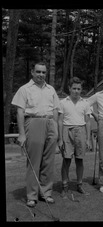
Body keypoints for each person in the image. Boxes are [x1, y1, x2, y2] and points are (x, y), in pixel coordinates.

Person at [11, 61, 60, 208]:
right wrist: (21, 134)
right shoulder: (24, 89)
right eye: (38, 72)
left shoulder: (51, 89)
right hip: (33, 123)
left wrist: (55, 129)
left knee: (48, 162)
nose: (41, 75)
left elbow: (56, 110)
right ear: (32, 72)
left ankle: (46, 192)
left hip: (50, 123)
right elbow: (19, 112)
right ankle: (32, 196)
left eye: (43, 72)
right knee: (34, 162)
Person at [58, 77, 91, 197]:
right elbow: (60, 121)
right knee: (66, 160)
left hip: (81, 131)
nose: (76, 91)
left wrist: (88, 139)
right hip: (67, 131)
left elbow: (88, 121)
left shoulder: (85, 103)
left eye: (79, 89)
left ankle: (79, 185)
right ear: (69, 88)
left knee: (79, 160)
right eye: (74, 88)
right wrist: (60, 139)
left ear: (81, 89)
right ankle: (65, 186)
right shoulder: (63, 102)